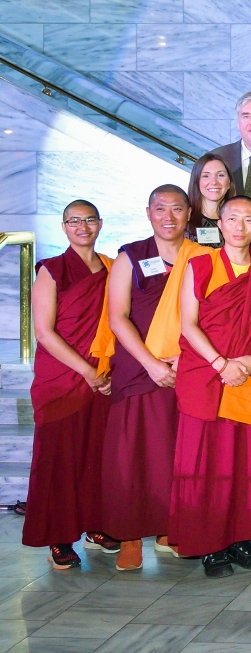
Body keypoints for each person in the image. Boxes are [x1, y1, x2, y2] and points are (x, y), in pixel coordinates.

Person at [172, 196, 251, 578]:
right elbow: (188, 323)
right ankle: (210, 543)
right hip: (207, 375)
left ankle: (241, 537)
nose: (239, 226)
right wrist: (222, 364)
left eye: (248, 220)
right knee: (206, 464)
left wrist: (249, 363)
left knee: (246, 462)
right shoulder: (199, 265)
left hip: (250, 374)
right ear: (219, 224)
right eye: (232, 218)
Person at [101, 186, 210, 571]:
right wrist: (151, 364)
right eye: (160, 209)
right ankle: (130, 536)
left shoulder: (201, 256)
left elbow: (209, 315)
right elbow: (118, 316)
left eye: (177, 209)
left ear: (189, 213)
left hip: (188, 367)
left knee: (175, 454)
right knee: (133, 456)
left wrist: (183, 358)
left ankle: (168, 530)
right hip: (139, 369)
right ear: (148, 212)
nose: (169, 217)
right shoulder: (130, 256)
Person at [23, 200, 116, 569]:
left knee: (97, 455)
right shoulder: (52, 270)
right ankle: (59, 538)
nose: (82, 226)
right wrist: (86, 371)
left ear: (100, 223)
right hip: (63, 378)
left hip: (103, 378)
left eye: (89, 219)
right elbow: (44, 333)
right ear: (63, 227)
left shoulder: (111, 268)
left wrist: (106, 373)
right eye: (74, 221)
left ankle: (96, 525)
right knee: (59, 459)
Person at [186, 153, 233, 249]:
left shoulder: (239, 222)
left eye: (220, 175)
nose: (214, 182)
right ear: (196, 181)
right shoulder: (184, 220)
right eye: (206, 176)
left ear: (229, 182)